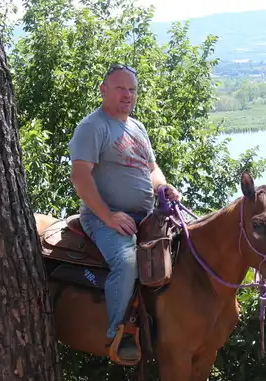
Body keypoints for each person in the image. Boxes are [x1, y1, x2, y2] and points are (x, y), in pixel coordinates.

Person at [68, 64, 181, 364]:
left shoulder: (137, 127)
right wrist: (108, 217)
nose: (127, 95)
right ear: (104, 90)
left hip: (145, 215)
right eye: (120, 88)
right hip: (103, 218)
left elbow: (152, 169)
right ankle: (119, 331)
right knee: (127, 260)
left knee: (189, 242)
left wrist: (164, 188)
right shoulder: (93, 127)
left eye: (131, 89)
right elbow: (80, 177)